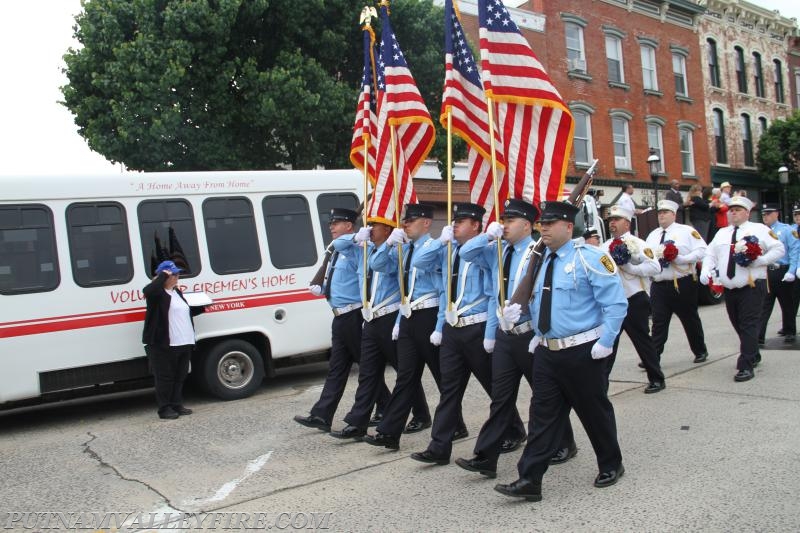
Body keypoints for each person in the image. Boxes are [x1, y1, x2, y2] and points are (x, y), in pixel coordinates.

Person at [494, 201, 628, 502]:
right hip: (546, 352)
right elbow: (541, 303)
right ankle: (530, 478)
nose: (545, 228)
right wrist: (522, 319)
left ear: (569, 227)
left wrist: (606, 341)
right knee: (541, 416)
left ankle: (611, 463)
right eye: (543, 223)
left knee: (594, 412)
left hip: (582, 351)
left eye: (551, 224)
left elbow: (616, 304)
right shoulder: (539, 260)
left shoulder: (590, 258)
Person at [455, 198, 568, 479]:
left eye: (510, 221)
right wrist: (486, 235)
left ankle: (565, 442)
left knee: (544, 396)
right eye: (503, 220)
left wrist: (540, 334)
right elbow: (467, 253)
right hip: (505, 336)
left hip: (529, 334)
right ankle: (486, 457)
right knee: (501, 398)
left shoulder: (538, 252)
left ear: (528, 225)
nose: (504, 225)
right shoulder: (497, 250)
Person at [407, 202, 525, 465]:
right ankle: (439, 447)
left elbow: (494, 293)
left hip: (478, 327)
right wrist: (440, 241)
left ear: (475, 225)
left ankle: (515, 429)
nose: (455, 225)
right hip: (453, 329)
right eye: (455, 221)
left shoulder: (485, 250)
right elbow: (419, 262)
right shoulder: (447, 250)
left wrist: (490, 334)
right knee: (449, 390)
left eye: (461, 222)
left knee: (494, 387)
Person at [362, 204, 468, 450]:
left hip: (430, 316)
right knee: (405, 377)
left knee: (443, 378)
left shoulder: (437, 247)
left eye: (411, 221)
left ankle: (458, 424)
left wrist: (440, 326)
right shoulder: (404, 249)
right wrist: (388, 244)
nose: (405, 224)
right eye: (404, 221)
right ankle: (389, 432)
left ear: (427, 223)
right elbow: (377, 265)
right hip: (409, 317)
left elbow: (443, 289)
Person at [330, 219, 430, 440]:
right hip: (370, 319)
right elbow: (336, 245)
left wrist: (389, 244)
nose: (370, 229)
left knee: (403, 371)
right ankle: (358, 422)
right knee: (368, 373)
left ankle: (421, 414)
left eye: (375, 226)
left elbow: (380, 265)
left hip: (390, 318)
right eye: (369, 225)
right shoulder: (363, 250)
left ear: (388, 229)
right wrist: (355, 237)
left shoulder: (396, 252)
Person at [294, 208, 381, 433]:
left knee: (367, 369)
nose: (331, 226)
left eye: (337, 223)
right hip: (339, 317)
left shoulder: (356, 248)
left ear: (350, 226)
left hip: (354, 315)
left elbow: (343, 245)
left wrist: (354, 238)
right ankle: (322, 415)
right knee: (337, 368)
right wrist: (322, 287)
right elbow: (337, 277)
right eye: (331, 223)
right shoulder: (338, 251)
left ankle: (386, 407)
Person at [700, 197, 785, 381]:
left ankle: (745, 366)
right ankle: (752, 352)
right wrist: (706, 269)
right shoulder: (721, 233)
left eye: (738, 209)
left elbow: (779, 249)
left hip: (752, 285)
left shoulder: (759, 230)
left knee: (748, 323)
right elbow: (710, 254)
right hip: (730, 288)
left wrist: (761, 260)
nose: (733, 212)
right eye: (731, 209)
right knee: (737, 323)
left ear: (747, 212)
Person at [602, 206, 665, 393]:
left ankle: (656, 378)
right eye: (610, 220)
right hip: (612, 302)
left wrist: (632, 267)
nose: (612, 223)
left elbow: (655, 267)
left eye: (617, 219)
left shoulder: (638, 243)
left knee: (642, 341)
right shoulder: (604, 246)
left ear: (627, 223)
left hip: (633, 298)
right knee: (608, 343)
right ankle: (600, 384)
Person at [644, 200, 709, 364]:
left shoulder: (687, 231)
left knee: (689, 319)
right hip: (659, 284)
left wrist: (683, 259)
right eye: (659, 213)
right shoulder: (653, 235)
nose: (661, 215)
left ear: (673, 214)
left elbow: (702, 250)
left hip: (682, 282)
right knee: (659, 322)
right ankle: (653, 356)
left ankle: (699, 350)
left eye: (665, 212)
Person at [142, 260, 206, 419]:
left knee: (180, 376)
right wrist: (163, 275)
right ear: (164, 276)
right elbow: (148, 290)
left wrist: (202, 307)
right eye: (174, 274)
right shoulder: (156, 295)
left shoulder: (176, 292)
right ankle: (164, 408)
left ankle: (176, 404)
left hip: (184, 341)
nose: (178, 277)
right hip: (164, 344)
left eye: (178, 274)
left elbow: (184, 312)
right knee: (165, 377)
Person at [758, 203, 798, 344]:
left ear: (776, 214)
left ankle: (790, 331)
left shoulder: (786, 230)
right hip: (766, 271)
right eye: (763, 214)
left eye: (768, 214)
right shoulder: (760, 230)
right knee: (764, 304)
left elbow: (794, 251)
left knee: (787, 303)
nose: (765, 217)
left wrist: (792, 271)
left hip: (782, 270)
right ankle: (759, 335)